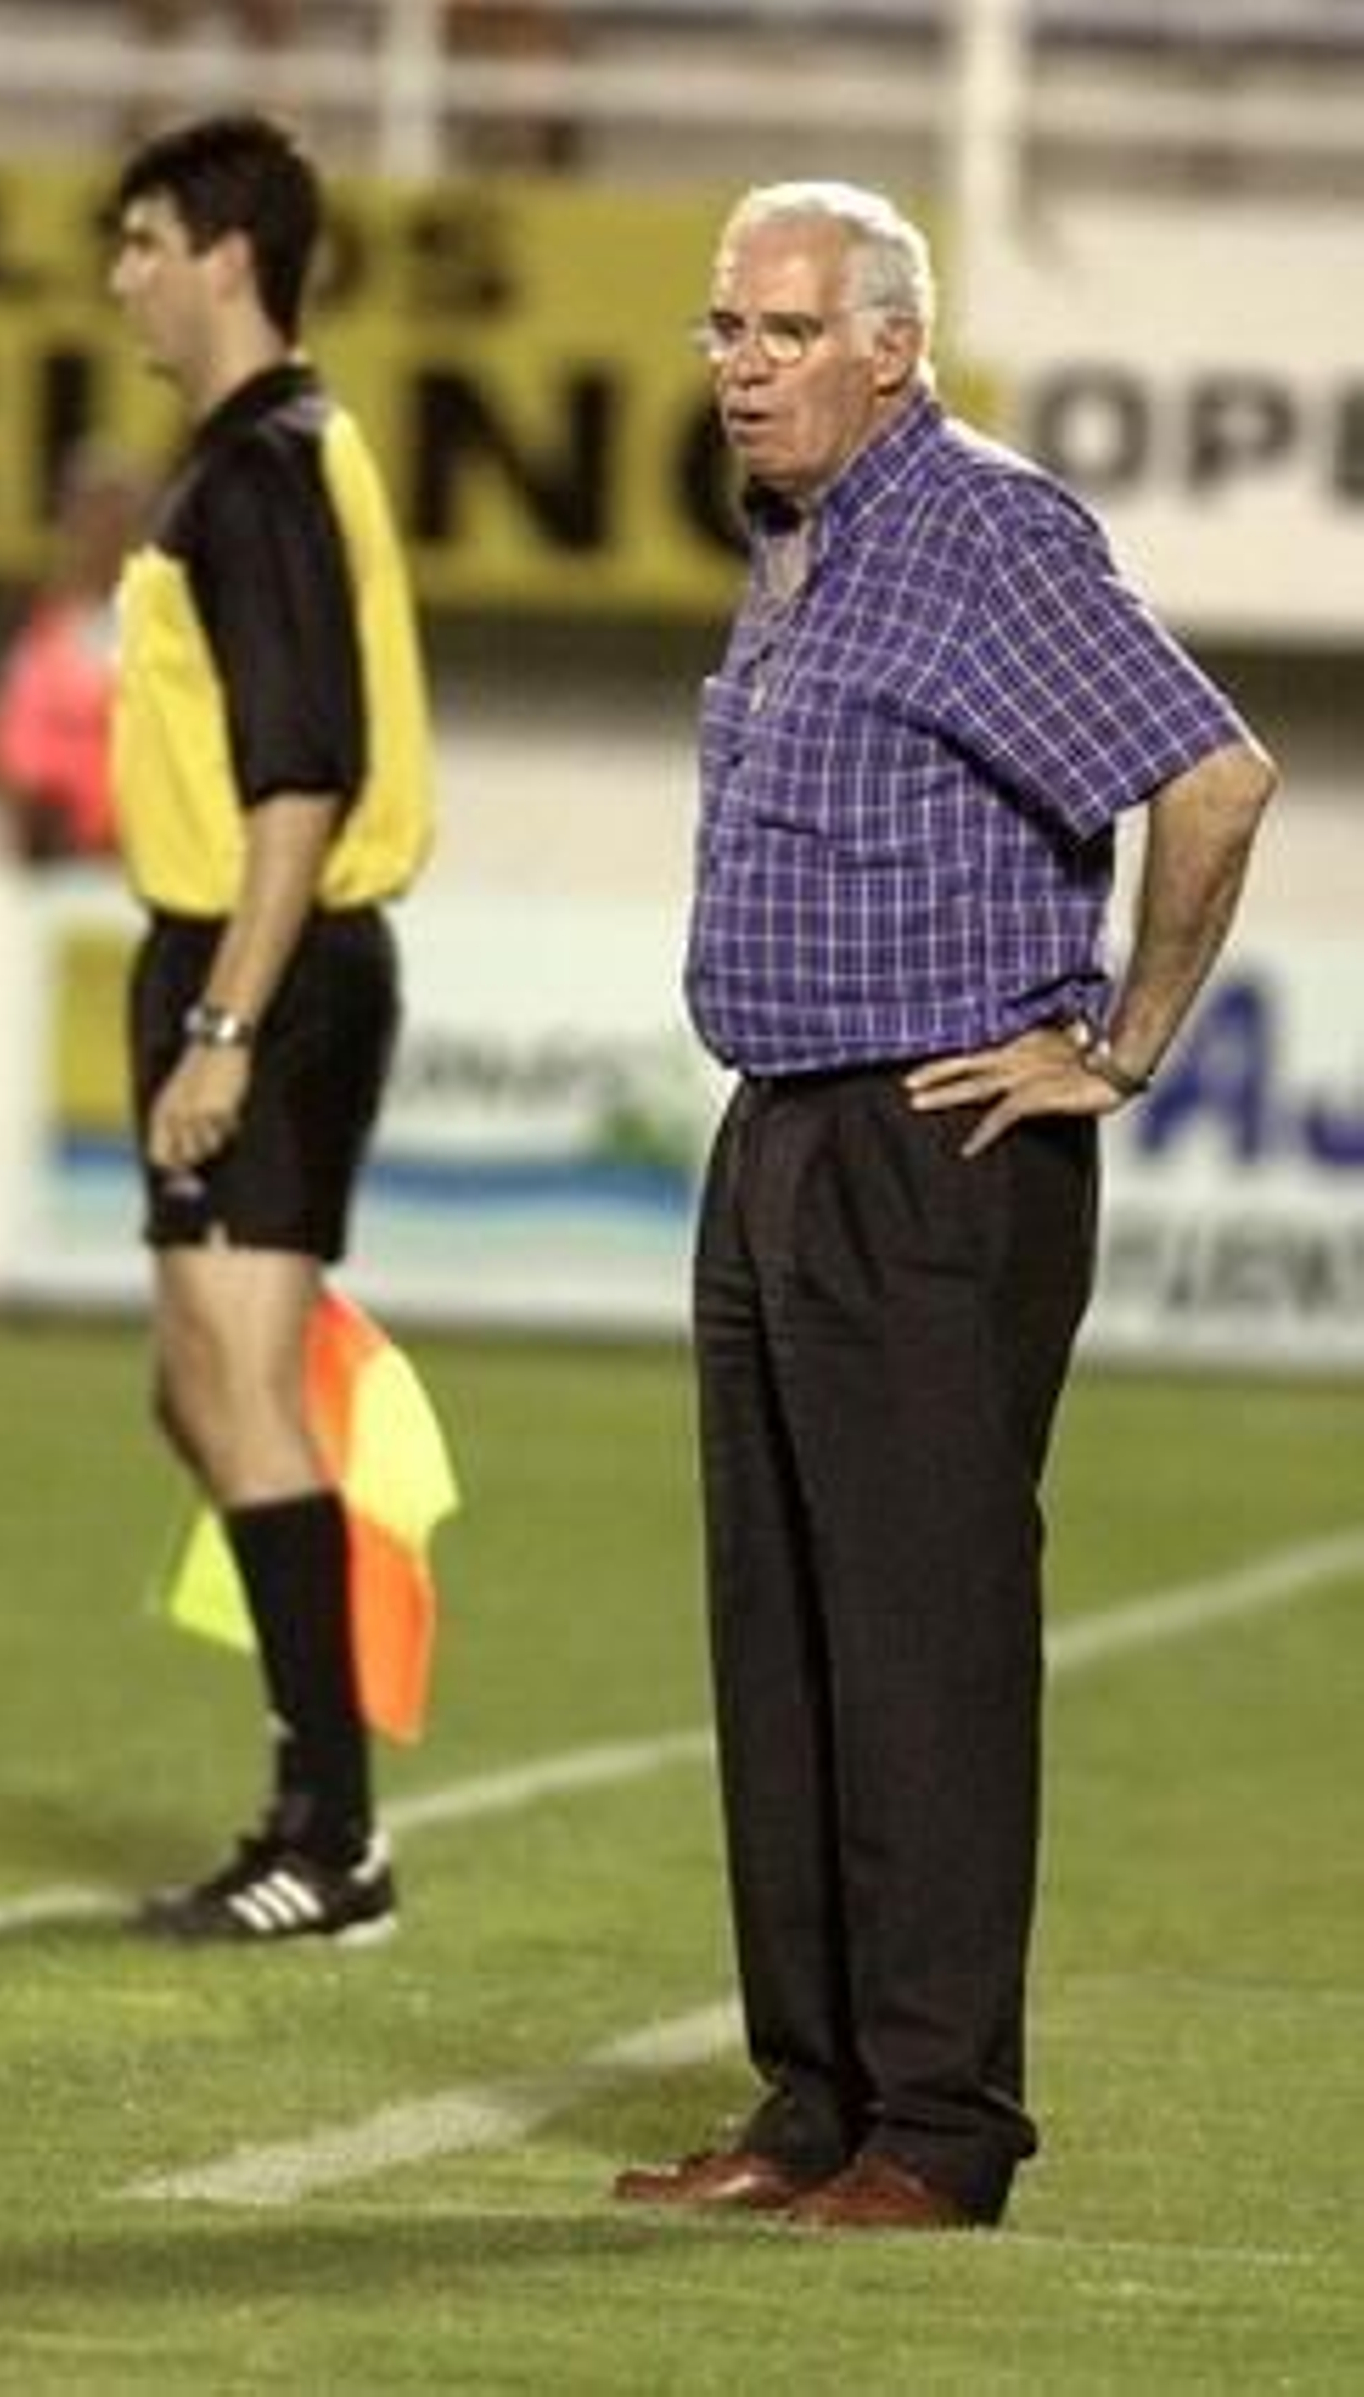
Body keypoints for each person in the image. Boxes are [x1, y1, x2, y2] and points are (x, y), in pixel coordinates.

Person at [613, 182, 1274, 2230]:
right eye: (723, 329)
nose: (739, 366)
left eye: (783, 332)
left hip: (932, 1145)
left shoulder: (981, 527)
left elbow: (1212, 775)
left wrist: (1122, 1040)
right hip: (780, 1130)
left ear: (891, 345)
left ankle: (941, 2125)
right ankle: (811, 2097)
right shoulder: (801, 540)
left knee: (918, 1638)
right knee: (784, 1631)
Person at [106, 112, 434, 1943]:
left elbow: (302, 777)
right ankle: (321, 1788)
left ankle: (332, 1830)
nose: (124, 275)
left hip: (271, 957)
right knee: (201, 1385)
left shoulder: (269, 467)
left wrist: (226, 1018)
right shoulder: (243, 458)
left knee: (240, 1384)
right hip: (227, 949)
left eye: (146, 238)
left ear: (229, 248)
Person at [0, 444, 150, 868]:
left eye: (118, 517)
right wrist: (23, 791)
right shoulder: (26, 626)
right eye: (90, 515)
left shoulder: (170, 635)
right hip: (35, 865)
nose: (103, 532)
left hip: (128, 868)